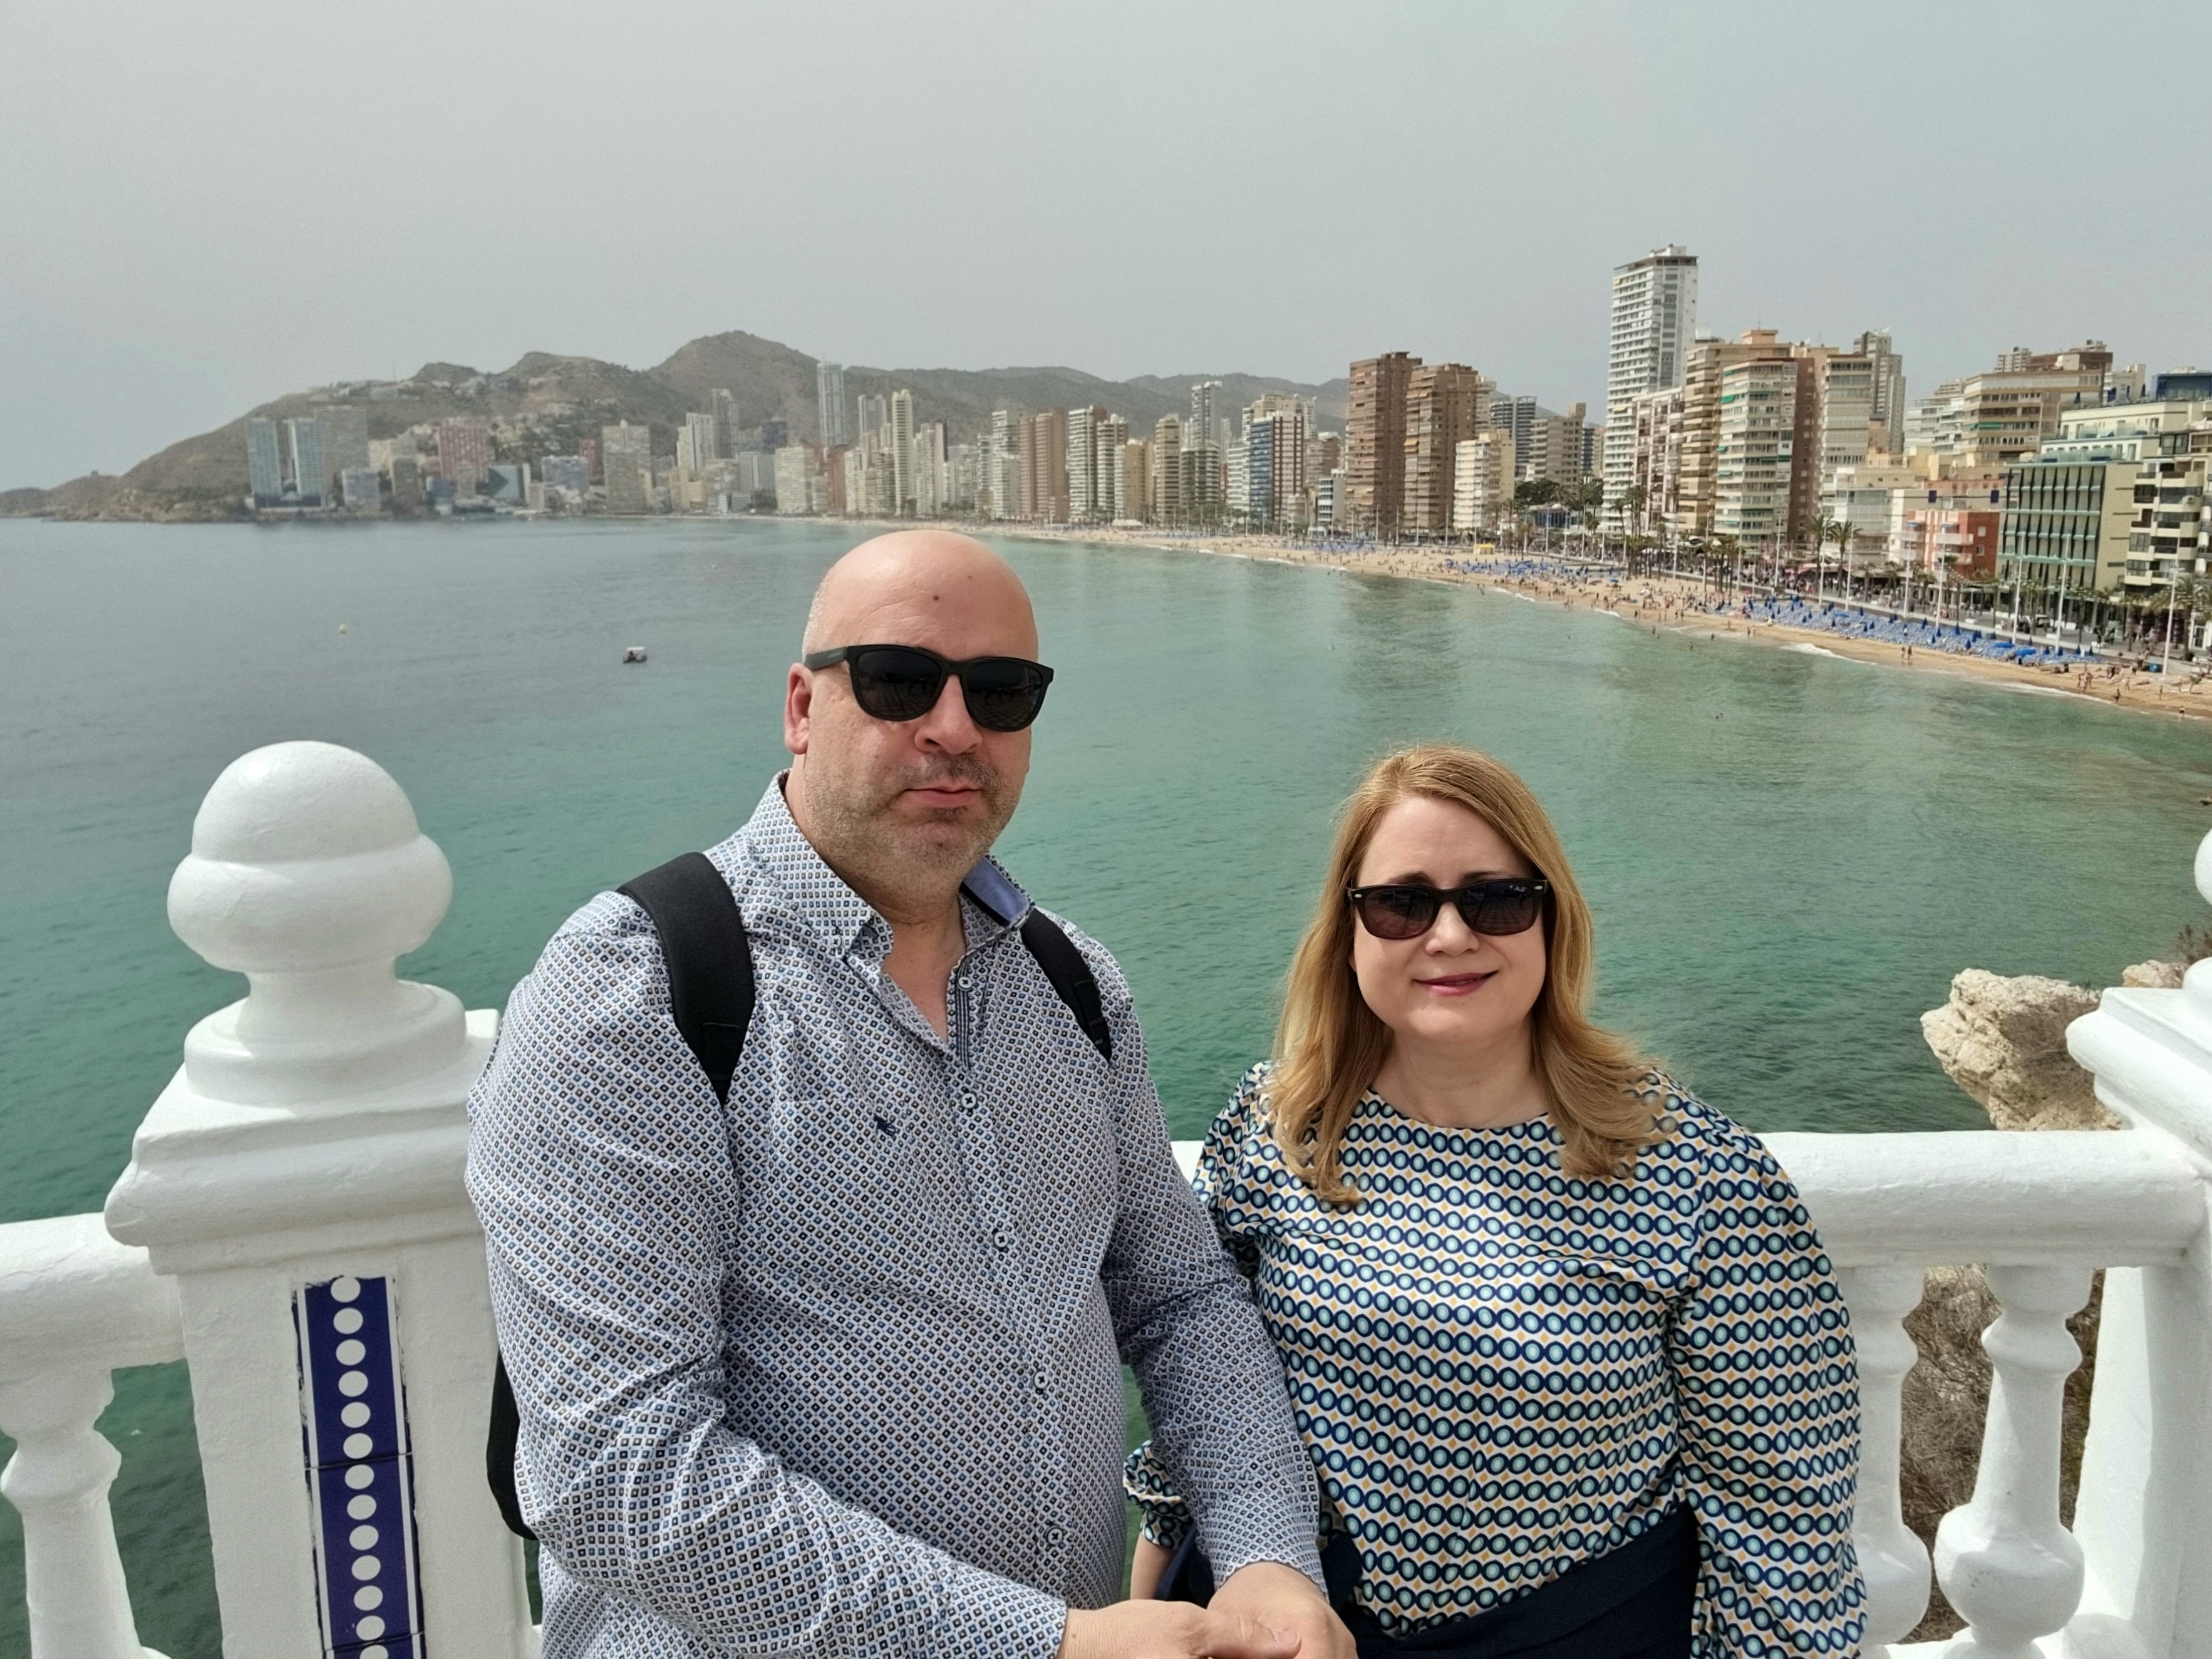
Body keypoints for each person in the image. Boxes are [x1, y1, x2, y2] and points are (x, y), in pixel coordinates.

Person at [468, 531, 1352, 1659]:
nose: (954, 728)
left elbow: (1180, 1300)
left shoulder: (1072, 985)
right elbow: (618, 1470)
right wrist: (1044, 1645)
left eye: (1001, 691)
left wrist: (1268, 1555)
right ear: (802, 707)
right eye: (898, 680)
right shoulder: (640, 990)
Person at [1125, 745, 1865, 1656]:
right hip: (1287, 1629)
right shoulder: (1278, 1125)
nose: (1448, 936)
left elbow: (1783, 1524)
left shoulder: (1702, 1175)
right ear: (1349, 929)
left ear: (1552, 919)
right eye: (1401, 904)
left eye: (1497, 899)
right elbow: (1201, 1378)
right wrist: (1162, 1593)